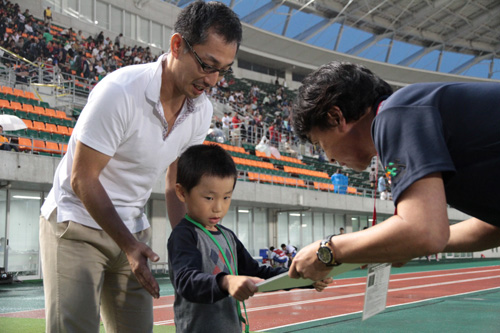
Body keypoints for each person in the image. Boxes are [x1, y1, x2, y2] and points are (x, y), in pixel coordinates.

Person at [39, 2, 242, 332]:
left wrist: (185, 245)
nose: (213, 79)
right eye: (207, 64)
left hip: (133, 229)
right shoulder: (119, 92)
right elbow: (82, 179)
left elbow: (176, 180)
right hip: (76, 224)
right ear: (177, 45)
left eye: (223, 70)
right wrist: (130, 247)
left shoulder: (201, 110)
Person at [288, 61, 500, 282]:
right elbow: (491, 227)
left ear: (336, 117)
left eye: (320, 144)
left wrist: (328, 250)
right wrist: (397, 243)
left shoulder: (395, 114)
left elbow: (424, 232)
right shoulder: (410, 116)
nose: (329, 158)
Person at [168, 144, 331, 332]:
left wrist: (305, 278)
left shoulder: (227, 236)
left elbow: (259, 273)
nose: (218, 208)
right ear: (181, 193)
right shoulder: (184, 235)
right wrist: (226, 282)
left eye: (226, 197)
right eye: (209, 198)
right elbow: (186, 281)